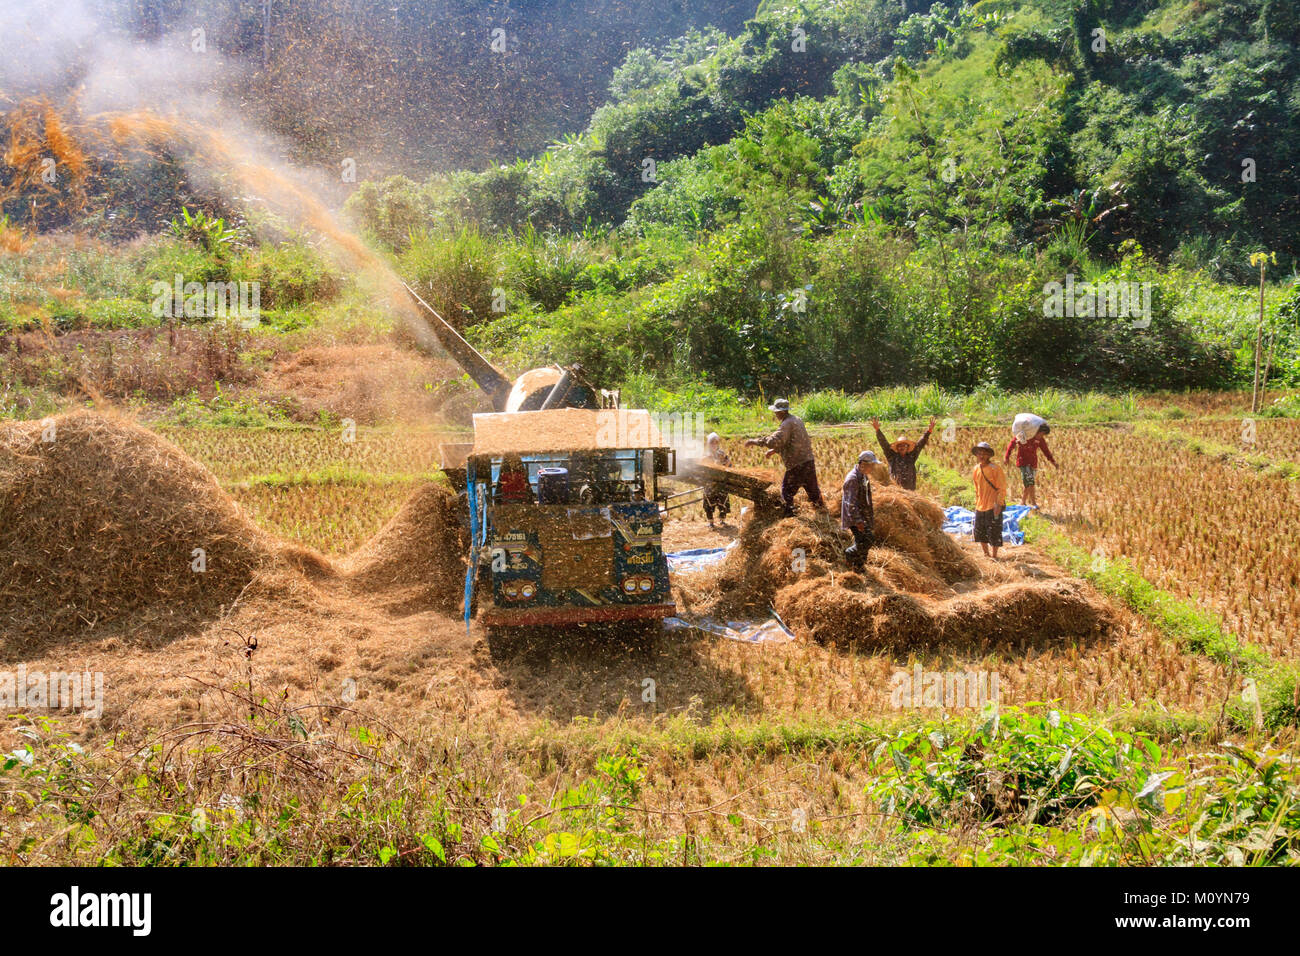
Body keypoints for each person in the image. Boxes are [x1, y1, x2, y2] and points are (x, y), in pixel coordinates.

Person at [746, 398, 825, 518]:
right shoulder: (797, 420)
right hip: (808, 461)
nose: (775, 414)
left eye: (776, 412)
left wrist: (755, 441)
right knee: (813, 491)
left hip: (797, 464)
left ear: (781, 412)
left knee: (786, 492)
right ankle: (823, 513)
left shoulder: (786, 424)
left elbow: (774, 441)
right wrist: (775, 451)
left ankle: (789, 517)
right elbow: (793, 441)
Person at [871, 417, 936, 491]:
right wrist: (877, 430)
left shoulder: (912, 456)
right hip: (896, 490)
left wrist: (929, 431)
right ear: (897, 448)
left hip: (910, 490)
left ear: (908, 447)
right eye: (899, 446)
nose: (902, 447)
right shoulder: (892, 457)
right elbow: (884, 444)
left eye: (904, 445)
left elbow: (920, 444)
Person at [1004, 423, 1058, 509]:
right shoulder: (1024, 435)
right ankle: (1024, 502)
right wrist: (1007, 457)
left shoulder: (1040, 440)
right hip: (1023, 462)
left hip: (1033, 463)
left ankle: (1031, 502)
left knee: (1031, 483)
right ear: (1037, 431)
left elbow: (1046, 451)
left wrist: (1053, 462)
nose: (1042, 436)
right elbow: (1012, 444)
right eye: (1042, 434)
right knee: (1028, 482)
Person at [841, 450, 878, 570]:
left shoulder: (863, 476)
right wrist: (858, 521)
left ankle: (858, 566)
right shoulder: (853, 479)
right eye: (871, 465)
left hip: (862, 516)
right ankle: (849, 554)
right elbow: (850, 504)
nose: (873, 468)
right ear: (863, 464)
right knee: (867, 540)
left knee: (863, 541)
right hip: (854, 517)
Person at [971, 441, 1007, 560]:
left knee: (994, 531)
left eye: (984, 454)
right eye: (979, 453)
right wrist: (976, 502)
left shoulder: (995, 469)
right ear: (976, 455)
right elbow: (977, 488)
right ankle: (986, 554)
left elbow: (1002, 488)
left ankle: (995, 555)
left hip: (993, 505)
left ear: (989, 455)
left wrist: (999, 504)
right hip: (980, 505)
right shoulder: (976, 469)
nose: (982, 456)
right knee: (980, 532)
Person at [701, 432, 732, 527]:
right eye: (712, 442)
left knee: (723, 500)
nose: (714, 444)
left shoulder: (721, 454)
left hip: (721, 481)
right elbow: (701, 465)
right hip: (709, 482)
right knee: (709, 502)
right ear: (708, 444)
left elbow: (730, 465)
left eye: (716, 442)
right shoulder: (705, 454)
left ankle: (722, 520)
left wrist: (726, 463)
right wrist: (707, 460)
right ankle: (711, 522)